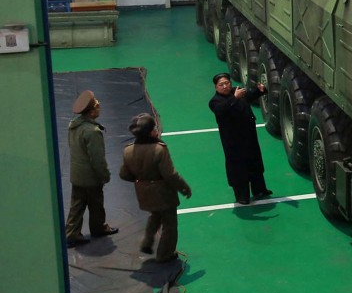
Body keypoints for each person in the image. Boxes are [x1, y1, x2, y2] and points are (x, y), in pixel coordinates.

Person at [119, 113, 192, 262]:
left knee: (155, 215)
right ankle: (165, 255)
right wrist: (184, 188)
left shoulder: (128, 150)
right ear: (150, 132)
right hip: (163, 193)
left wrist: (141, 181)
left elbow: (124, 174)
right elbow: (170, 175)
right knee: (170, 224)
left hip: (143, 193)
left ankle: (147, 241)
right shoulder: (159, 149)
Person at [208, 73, 273, 205]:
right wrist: (234, 98)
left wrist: (259, 91)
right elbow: (222, 110)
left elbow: (248, 96)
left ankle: (259, 190)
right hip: (234, 142)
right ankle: (242, 196)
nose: (225, 86)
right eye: (221, 85)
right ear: (216, 87)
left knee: (255, 163)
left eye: (227, 83)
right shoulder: (215, 101)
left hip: (249, 137)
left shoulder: (236, 92)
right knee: (238, 168)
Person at [65, 90, 118, 247]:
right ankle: (98, 228)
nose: (99, 107)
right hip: (90, 177)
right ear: (91, 111)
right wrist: (105, 175)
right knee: (96, 204)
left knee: (77, 205)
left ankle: (72, 233)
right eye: (97, 105)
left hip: (76, 174)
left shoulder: (73, 126)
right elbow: (97, 159)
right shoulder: (92, 132)